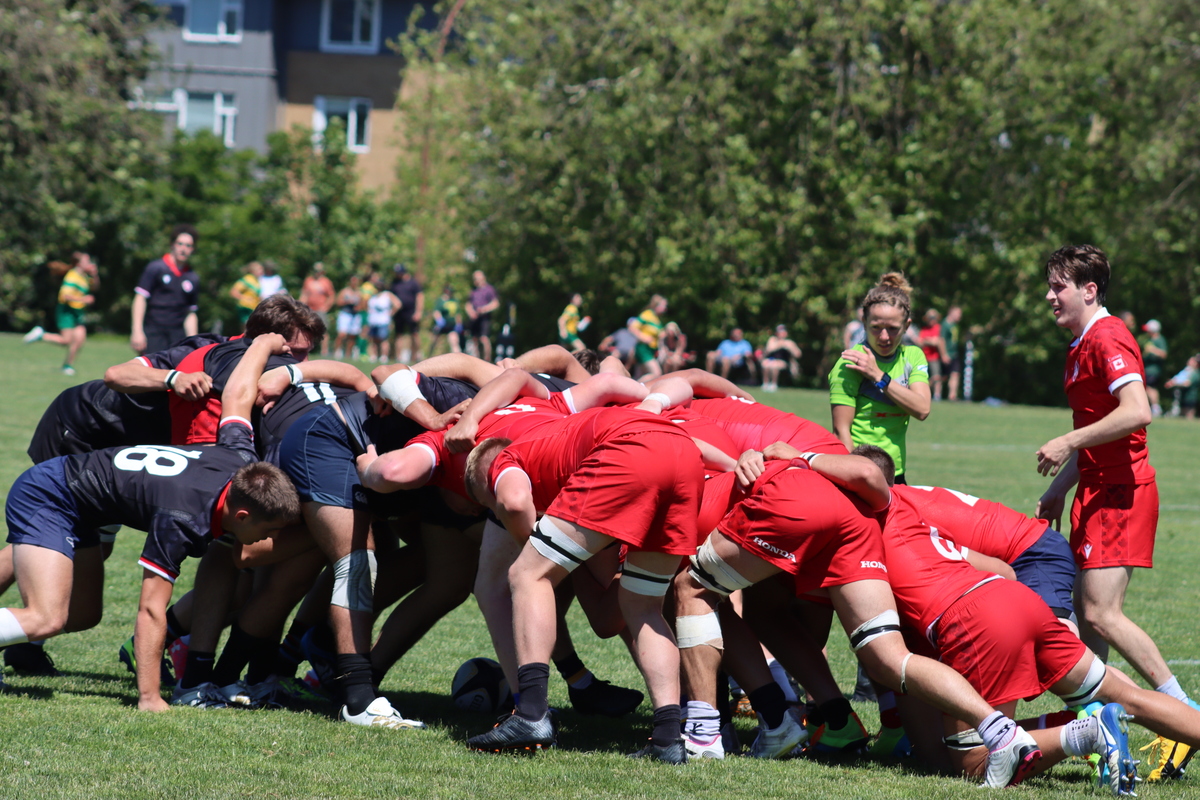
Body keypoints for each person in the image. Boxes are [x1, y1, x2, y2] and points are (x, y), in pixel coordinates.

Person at [0, 333, 299, 710]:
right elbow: (151, 609)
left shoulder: (239, 458)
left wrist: (261, 347)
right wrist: (149, 696)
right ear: (242, 515)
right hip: (51, 493)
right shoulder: (182, 518)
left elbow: (237, 396)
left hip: (83, 499)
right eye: (269, 531)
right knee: (46, 618)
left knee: (84, 616)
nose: (270, 539)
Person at [1034, 245, 1198, 729]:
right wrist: (1062, 487)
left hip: (1121, 494)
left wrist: (1067, 441)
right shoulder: (1080, 343)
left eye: (1058, 286)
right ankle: (1096, 725)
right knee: (1089, 620)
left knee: (1102, 614)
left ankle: (1185, 716)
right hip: (1095, 491)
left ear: (1089, 290)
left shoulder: (1107, 337)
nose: (1049, 296)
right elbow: (1101, 427)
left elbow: (1136, 411)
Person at [828, 273, 930, 485]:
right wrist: (858, 476)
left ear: (907, 326)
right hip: (859, 472)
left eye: (893, 329)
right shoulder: (849, 364)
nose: (884, 337)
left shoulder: (912, 356)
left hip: (896, 472)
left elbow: (922, 409)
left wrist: (879, 376)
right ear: (864, 322)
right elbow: (841, 432)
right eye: (876, 327)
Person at [24, 252, 99, 375]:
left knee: (80, 338)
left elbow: (95, 287)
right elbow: (65, 296)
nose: (90, 264)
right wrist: (84, 300)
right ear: (79, 264)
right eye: (87, 261)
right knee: (66, 341)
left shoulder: (84, 276)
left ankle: (67, 366)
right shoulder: (72, 276)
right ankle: (41, 335)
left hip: (77, 311)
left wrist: (95, 275)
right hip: (66, 311)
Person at [131, 224, 199, 355]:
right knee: (150, 372)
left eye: (188, 245)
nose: (183, 249)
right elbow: (140, 298)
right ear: (172, 244)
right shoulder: (156, 268)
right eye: (180, 244)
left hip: (177, 335)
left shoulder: (192, 277)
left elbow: (190, 312)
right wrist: (137, 330)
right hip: (153, 331)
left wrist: (194, 341)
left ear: (193, 249)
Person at [389, 264, 424, 364]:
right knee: (398, 335)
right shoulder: (395, 283)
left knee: (414, 334)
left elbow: (420, 297)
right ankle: (398, 358)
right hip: (399, 313)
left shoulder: (413, 283)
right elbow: (390, 295)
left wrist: (418, 312)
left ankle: (416, 355)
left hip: (411, 312)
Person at [628, 295, 668, 379]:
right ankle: (638, 387)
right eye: (663, 305)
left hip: (651, 350)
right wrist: (643, 337)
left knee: (640, 375)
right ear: (656, 305)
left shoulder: (657, 320)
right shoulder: (647, 314)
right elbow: (632, 327)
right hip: (643, 349)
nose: (665, 308)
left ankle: (633, 388)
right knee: (657, 373)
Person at [300, 262, 336, 355]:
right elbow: (304, 294)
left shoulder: (326, 282)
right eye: (315, 270)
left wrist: (326, 307)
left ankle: (324, 351)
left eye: (319, 271)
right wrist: (301, 305)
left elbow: (331, 296)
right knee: (306, 329)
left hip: (320, 309)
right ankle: (305, 349)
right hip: (309, 308)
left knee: (323, 330)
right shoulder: (308, 280)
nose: (317, 272)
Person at [465, 270, 499, 363]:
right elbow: (468, 304)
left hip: (485, 318)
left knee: (484, 338)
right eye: (475, 279)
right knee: (474, 339)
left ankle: (487, 360)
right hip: (475, 319)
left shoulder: (489, 289)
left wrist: (484, 309)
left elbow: (495, 303)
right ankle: (477, 361)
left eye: (478, 278)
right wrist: (471, 312)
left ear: (483, 278)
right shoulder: (473, 291)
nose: (476, 280)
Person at [365, 279, 401, 364]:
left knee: (383, 339)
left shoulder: (387, 295)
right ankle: (373, 356)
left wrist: (390, 313)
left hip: (383, 321)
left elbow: (398, 304)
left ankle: (384, 356)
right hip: (373, 321)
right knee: (373, 339)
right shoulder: (373, 296)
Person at [760, 324, 801, 391]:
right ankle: (765, 383)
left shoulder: (789, 342)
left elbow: (798, 354)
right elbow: (768, 350)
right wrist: (780, 344)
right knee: (765, 364)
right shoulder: (772, 340)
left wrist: (791, 348)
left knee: (775, 365)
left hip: (783, 362)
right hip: (771, 360)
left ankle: (773, 384)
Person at [918, 309, 947, 401]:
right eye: (930, 318)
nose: (932, 320)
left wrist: (928, 341)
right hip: (924, 357)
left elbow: (938, 341)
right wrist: (930, 341)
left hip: (935, 357)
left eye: (933, 317)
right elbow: (920, 342)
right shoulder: (924, 329)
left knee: (936, 376)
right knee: (923, 377)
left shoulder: (939, 328)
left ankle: (937, 395)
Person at [333, 275, 364, 360]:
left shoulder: (359, 292)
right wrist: (347, 302)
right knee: (342, 334)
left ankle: (348, 354)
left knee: (352, 335)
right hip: (345, 314)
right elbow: (338, 302)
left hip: (355, 315)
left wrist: (358, 307)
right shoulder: (345, 291)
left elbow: (363, 305)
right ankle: (337, 351)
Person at [1141, 319, 1167, 417]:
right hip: (1147, 369)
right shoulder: (1150, 340)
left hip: (1153, 370)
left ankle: (1155, 407)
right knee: (1150, 388)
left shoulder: (1159, 340)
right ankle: (1154, 407)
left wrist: (1152, 350)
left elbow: (1163, 354)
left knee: (1149, 387)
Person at [429, 284, 462, 355]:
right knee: (434, 341)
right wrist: (439, 320)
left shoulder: (455, 301)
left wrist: (459, 324)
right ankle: (429, 356)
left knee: (454, 341)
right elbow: (436, 312)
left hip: (451, 325)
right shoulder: (440, 300)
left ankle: (458, 358)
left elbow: (457, 314)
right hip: (441, 325)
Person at [229, 261, 263, 329]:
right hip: (246, 307)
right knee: (247, 327)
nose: (262, 271)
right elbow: (233, 292)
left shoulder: (256, 280)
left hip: (253, 307)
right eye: (259, 269)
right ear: (253, 271)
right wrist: (245, 298)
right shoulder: (247, 280)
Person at [1164, 354, 1199, 419]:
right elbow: (1179, 378)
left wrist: (1174, 383)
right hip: (1183, 397)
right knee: (1182, 416)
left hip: (1190, 397)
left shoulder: (1195, 373)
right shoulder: (1187, 371)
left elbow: (1187, 383)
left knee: (1189, 416)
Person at [944, 306, 963, 401]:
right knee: (938, 377)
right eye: (958, 313)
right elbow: (941, 340)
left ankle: (952, 395)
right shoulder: (945, 324)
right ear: (952, 313)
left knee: (955, 374)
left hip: (954, 354)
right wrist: (944, 354)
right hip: (947, 354)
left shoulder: (954, 325)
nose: (960, 316)